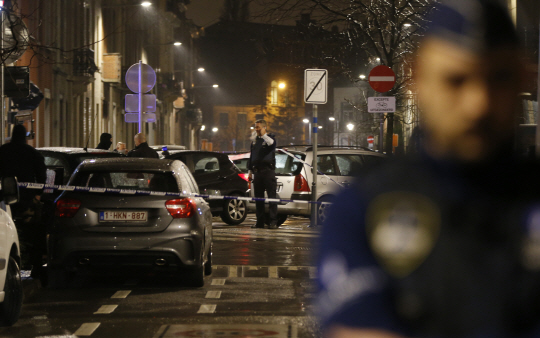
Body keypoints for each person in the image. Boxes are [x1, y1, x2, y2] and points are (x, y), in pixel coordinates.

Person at [316, 1, 540, 337]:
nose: (478, 104)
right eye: (456, 80)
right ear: (417, 76)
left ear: (525, 77)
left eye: (499, 78)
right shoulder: (364, 210)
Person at [0, 124, 47, 279]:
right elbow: (42, 174)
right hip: (27, 199)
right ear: (25, 137)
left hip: (4, 198)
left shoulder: (3, 151)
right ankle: (36, 265)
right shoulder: (32, 153)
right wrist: (38, 194)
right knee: (33, 232)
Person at [247, 119, 277, 229]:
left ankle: (273, 222)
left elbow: (272, 144)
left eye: (258, 127)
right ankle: (260, 222)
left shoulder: (270, 139)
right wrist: (250, 171)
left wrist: (263, 134)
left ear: (264, 127)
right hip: (257, 172)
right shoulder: (255, 141)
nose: (256, 129)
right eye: (255, 127)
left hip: (268, 172)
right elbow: (252, 157)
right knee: (259, 199)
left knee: (272, 198)